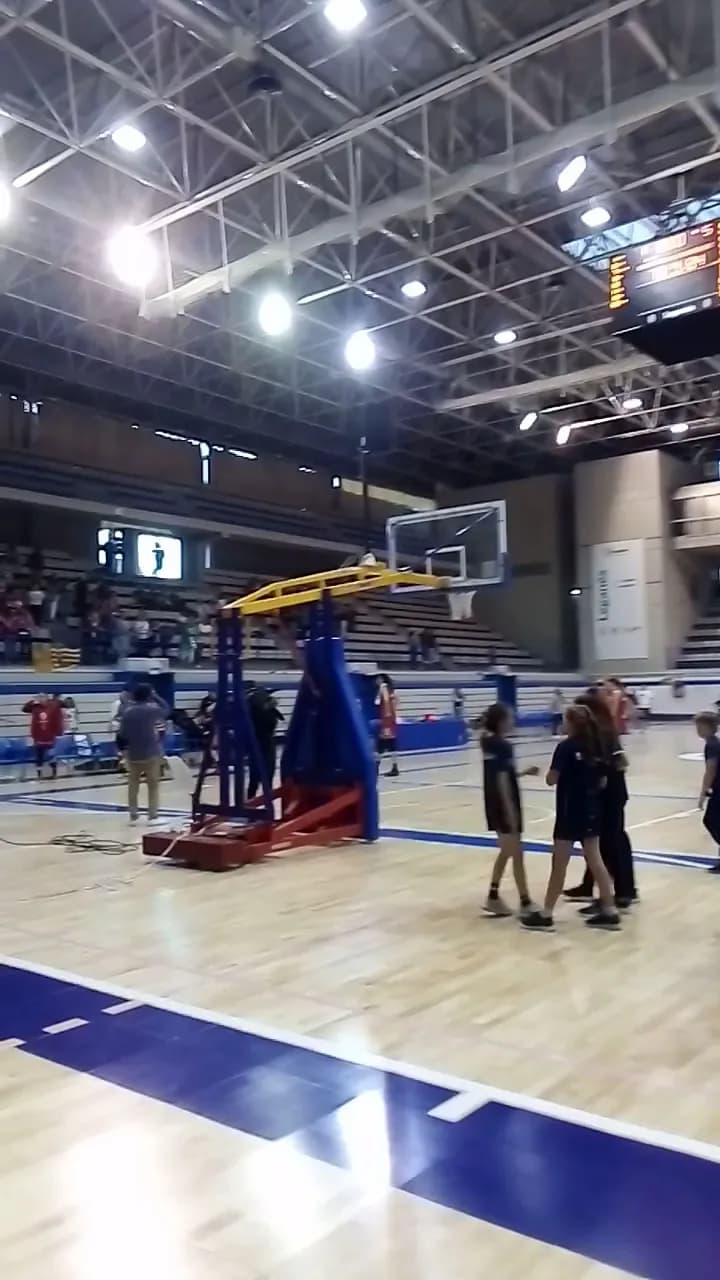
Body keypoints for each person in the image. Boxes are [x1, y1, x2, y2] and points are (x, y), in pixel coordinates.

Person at [522, 704, 621, 932]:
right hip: (592, 809)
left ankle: (546, 915)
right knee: (596, 860)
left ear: (572, 723)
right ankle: (610, 910)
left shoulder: (565, 747)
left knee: (559, 864)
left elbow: (551, 779)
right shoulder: (597, 746)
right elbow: (604, 780)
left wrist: (547, 773)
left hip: (569, 811)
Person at [570, 691, 636, 910]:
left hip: (610, 793)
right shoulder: (600, 731)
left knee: (609, 842)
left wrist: (600, 771)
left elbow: (618, 762)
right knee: (602, 841)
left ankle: (620, 893)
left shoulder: (604, 733)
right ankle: (592, 886)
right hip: (611, 791)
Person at [480, 703, 539, 917]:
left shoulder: (487, 741)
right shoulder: (504, 746)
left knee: (507, 851)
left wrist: (522, 773)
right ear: (502, 721)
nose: (513, 721)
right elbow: (503, 780)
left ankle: (493, 896)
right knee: (517, 853)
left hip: (492, 802)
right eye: (511, 718)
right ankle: (525, 902)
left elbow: (500, 773)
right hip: (504, 803)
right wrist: (511, 812)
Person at [118, 683, 168, 824]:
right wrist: (156, 696)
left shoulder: (127, 711)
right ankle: (152, 816)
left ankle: (133, 815)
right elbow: (166, 709)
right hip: (151, 751)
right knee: (153, 785)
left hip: (133, 753)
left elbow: (122, 734)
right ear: (148, 695)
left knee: (133, 784)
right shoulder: (152, 710)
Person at [246, 684, 284, 799]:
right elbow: (273, 722)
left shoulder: (251, 705)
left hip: (255, 742)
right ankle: (266, 801)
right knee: (267, 774)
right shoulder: (262, 707)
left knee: (254, 776)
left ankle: (251, 800)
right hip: (265, 741)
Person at [696, 712, 720, 876]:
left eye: (699, 726)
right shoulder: (713, 743)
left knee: (711, 821)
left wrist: (702, 794)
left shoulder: (711, 745)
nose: (697, 730)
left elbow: (710, 770)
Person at [23, 692, 63, 779]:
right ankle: (39, 774)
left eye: (43, 697)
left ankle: (54, 772)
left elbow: (57, 718)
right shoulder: (35, 706)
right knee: (39, 756)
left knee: (51, 755)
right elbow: (25, 709)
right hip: (38, 735)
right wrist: (32, 701)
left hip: (49, 735)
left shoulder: (52, 706)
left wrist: (59, 731)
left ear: (47, 698)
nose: (41, 699)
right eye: (39, 697)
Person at [376, 673, 399, 778]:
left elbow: (385, 701)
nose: (376, 680)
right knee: (390, 743)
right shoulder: (391, 689)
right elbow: (396, 701)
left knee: (382, 743)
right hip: (391, 719)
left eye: (378, 678)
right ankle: (394, 767)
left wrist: (387, 716)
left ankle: (375, 768)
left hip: (387, 719)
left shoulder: (383, 687)